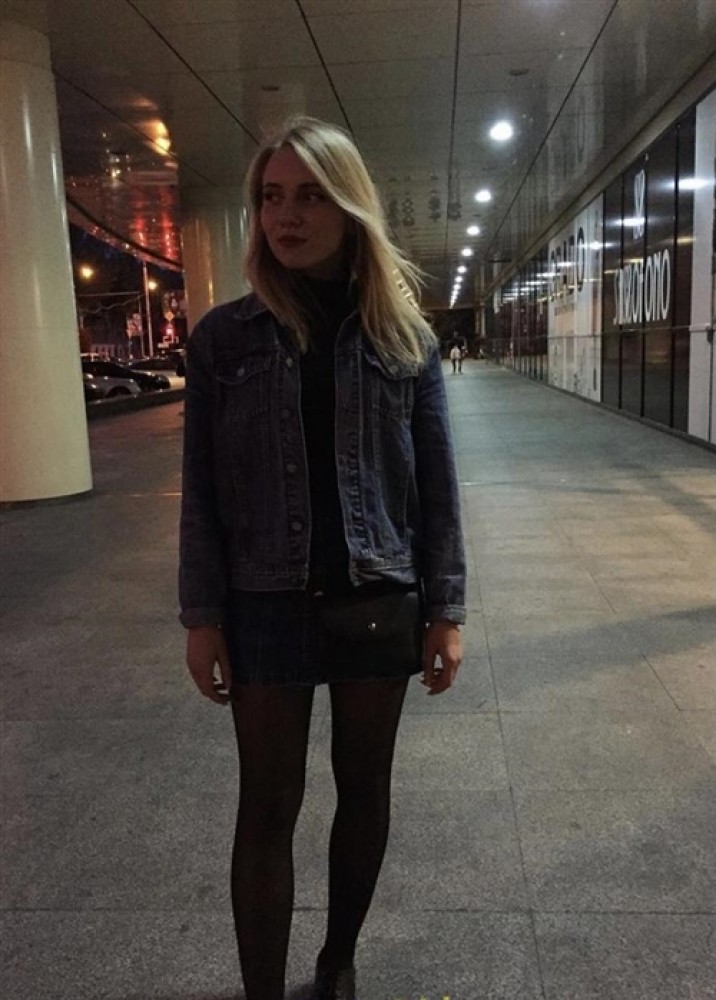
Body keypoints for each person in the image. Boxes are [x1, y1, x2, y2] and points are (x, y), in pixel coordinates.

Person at [179, 117, 466, 1000]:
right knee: (266, 806)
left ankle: (337, 964)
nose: (286, 216)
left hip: (376, 598)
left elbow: (436, 488)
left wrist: (447, 609)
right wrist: (202, 616)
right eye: (272, 197)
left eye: (309, 196)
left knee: (364, 791)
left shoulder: (403, 339)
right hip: (263, 604)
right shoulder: (223, 339)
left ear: (349, 208)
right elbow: (202, 493)